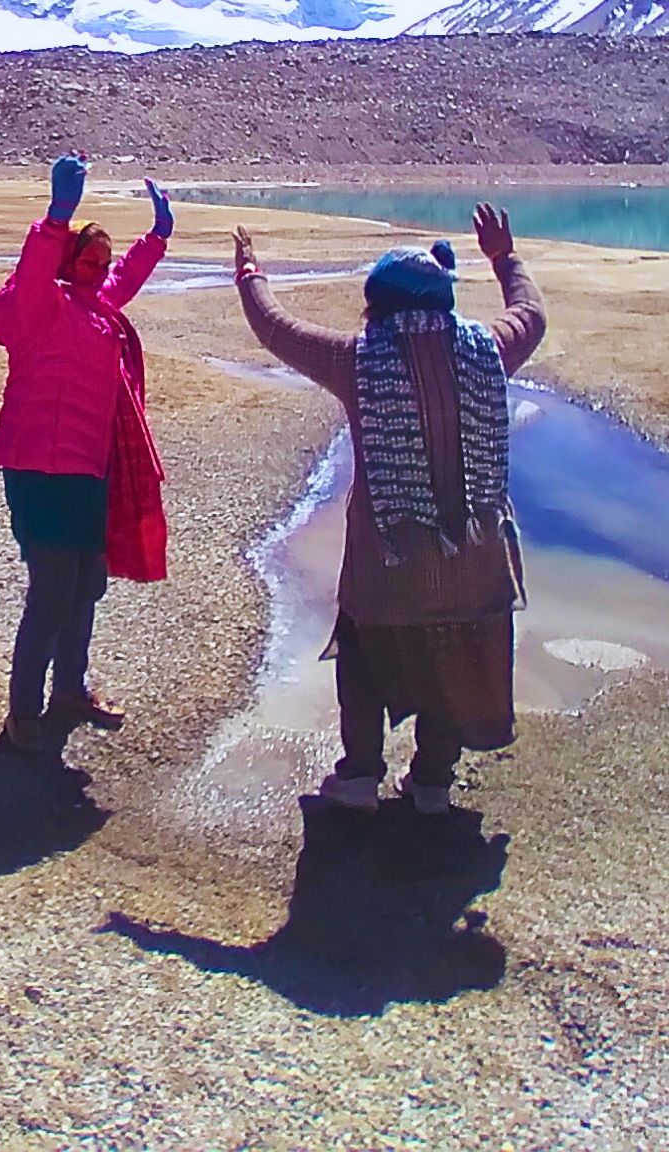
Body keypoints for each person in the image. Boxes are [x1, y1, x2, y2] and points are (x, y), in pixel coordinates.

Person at [234, 204, 546, 814]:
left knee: (363, 656)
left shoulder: (359, 359)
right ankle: (431, 782)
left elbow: (273, 326)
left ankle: (358, 778)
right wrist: (504, 257)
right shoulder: (487, 351)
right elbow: (530, 313)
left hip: (388, 564)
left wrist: (249, 272)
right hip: (474, 564)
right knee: (453, 660)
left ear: (378, 304)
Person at [0, 154, 172, 752]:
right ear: (66, 261)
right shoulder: (39, 307)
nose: (95, 268)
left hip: (91, 467)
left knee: (87, 583)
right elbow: (36, 275)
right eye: (84, 258)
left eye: (102, 260)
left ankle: (70, 687)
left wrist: (158, 238)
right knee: (51, 591)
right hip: (40, 469)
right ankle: (23, 714)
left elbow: (124, 281)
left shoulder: (98, 309)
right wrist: (55, 218)